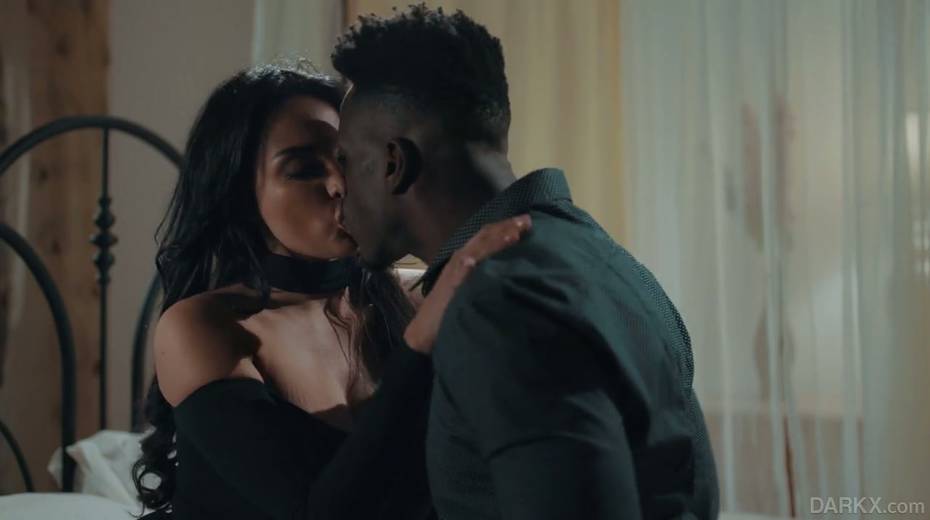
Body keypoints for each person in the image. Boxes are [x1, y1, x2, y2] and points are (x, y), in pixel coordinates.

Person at [331, 5, 720, 519]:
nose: (336, 186)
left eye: (344, 161)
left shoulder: (501, 303)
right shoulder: (607, 261)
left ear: (392, 164)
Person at [132, 63, 529, 520]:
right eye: (303, 169)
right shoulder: (205, 327)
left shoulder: (422, 295)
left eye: (348, 159)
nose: (341, 184)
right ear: (241, 193)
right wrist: (420, 346)